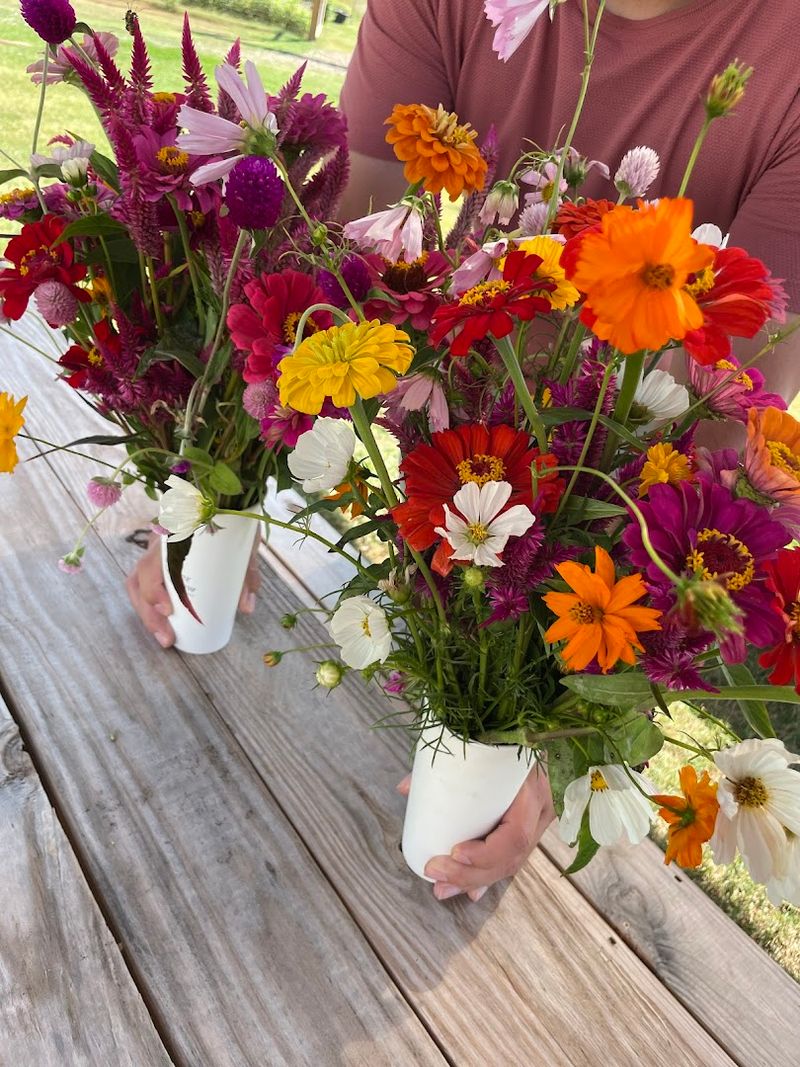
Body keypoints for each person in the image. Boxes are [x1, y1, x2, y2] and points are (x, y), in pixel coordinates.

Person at [127, 0, 800, 903]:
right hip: (430, 461)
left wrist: (563, 740)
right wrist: (217, 497)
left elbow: (715, 443)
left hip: (584, 534)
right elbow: (339, 261)